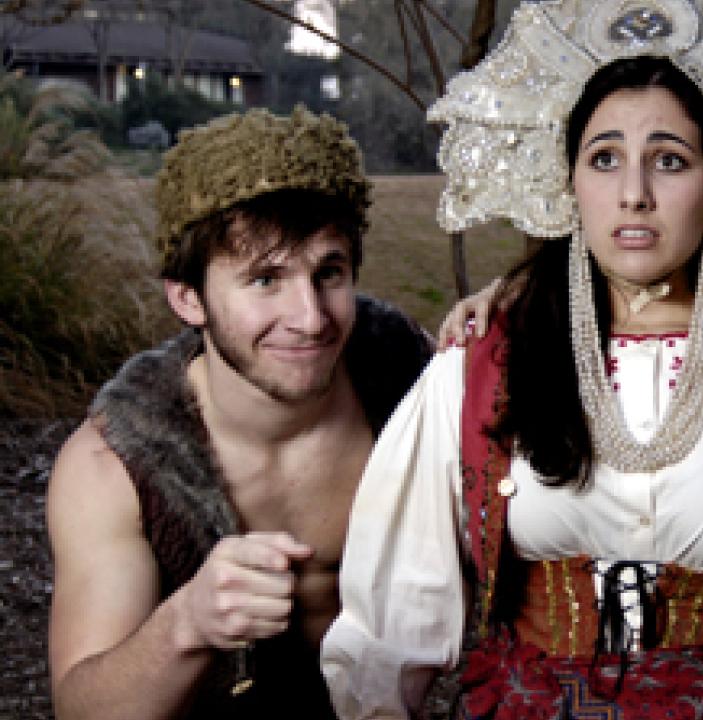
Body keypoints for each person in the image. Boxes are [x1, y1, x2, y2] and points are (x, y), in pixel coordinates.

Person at [320, 0, 703, 717]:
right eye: (605, 159)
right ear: (570, 185)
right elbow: (392, 622)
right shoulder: (482, 365)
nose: (634, 194)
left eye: (669, 160)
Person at [45, 107, 434, 720]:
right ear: (187, 297)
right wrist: (186, 623)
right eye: (265, 280)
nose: (310, 317)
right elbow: (82, 710)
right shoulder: (114, 466)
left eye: (328, 273)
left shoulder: (407, 377)